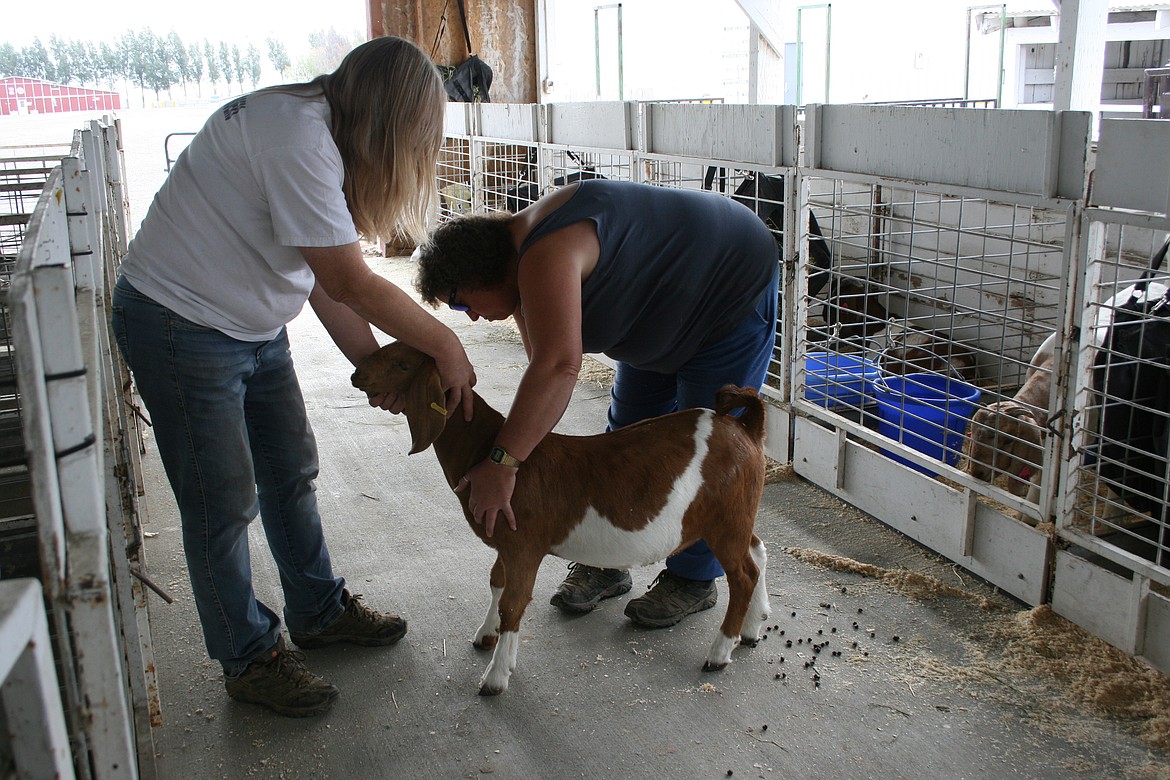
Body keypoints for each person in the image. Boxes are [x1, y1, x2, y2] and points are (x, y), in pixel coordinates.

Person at [111, 36, 477, 718]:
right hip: (178, 323)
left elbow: (324, 284)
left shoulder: (321, 135)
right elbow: (351, 281)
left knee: (290, 469)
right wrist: (446, 347)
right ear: (389, 121)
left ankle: (316, 610)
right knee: (222, 500)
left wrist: (375, 371)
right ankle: (249, 658)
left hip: (249, 322)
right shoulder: (296, 139)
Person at [414, 178, 778, 629]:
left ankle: (692, 577)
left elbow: (559, 368)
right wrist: (526, 461)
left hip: (727, 290)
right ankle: (608, 554)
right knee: (627, 438)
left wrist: (502, 463)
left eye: (458, 302)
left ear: (477, 274)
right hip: (657, 310)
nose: (468, 316)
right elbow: (541, 376)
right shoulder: (520, 274)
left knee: (709, 463)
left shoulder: (545, 252)